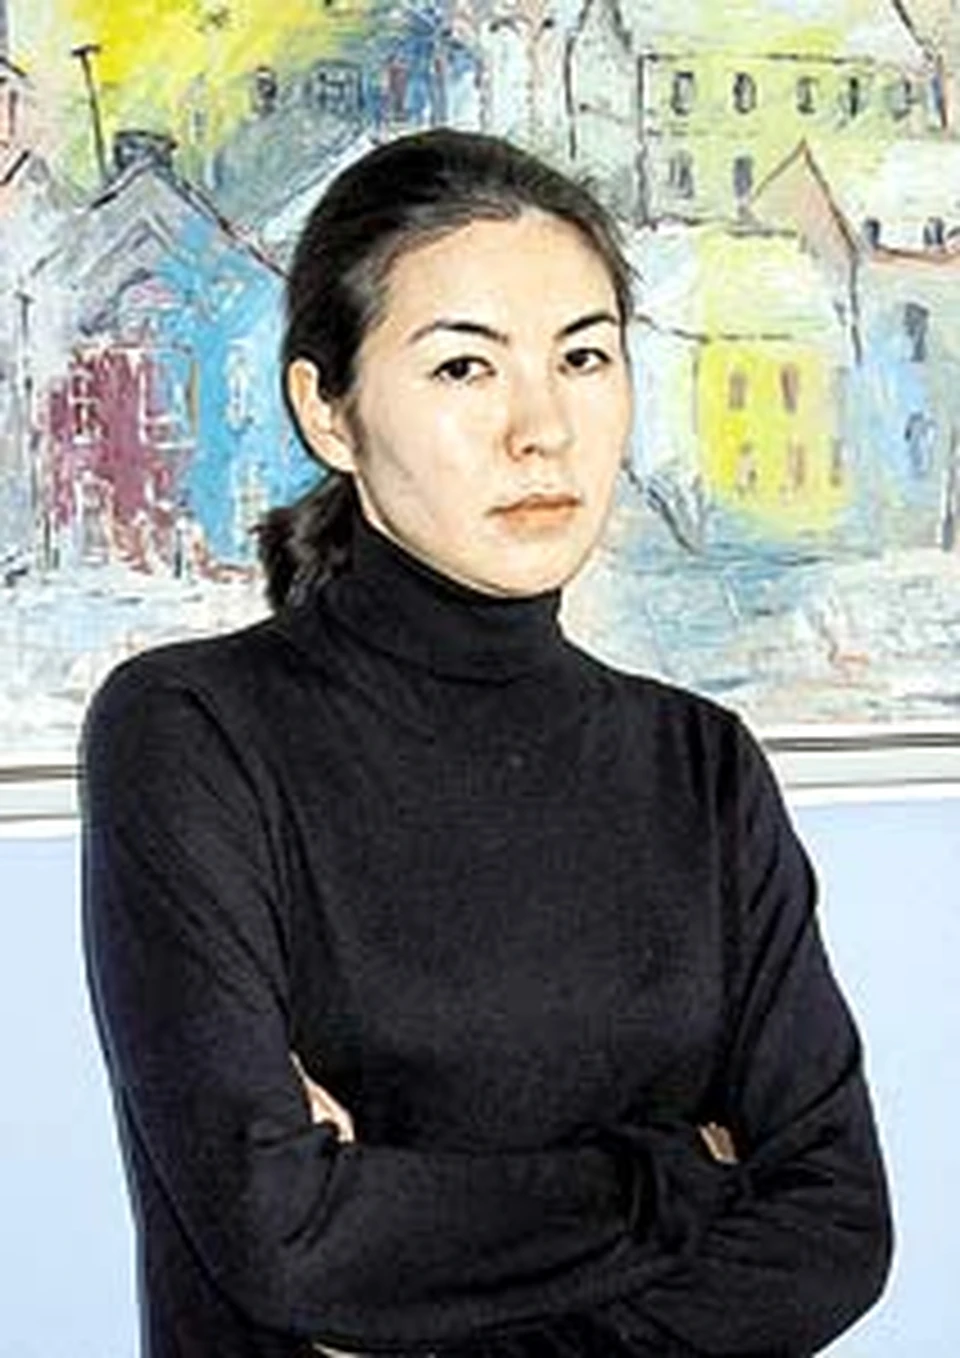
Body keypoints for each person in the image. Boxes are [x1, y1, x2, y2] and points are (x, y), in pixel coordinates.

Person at [80, 128, 893, 1358]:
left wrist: (412, 1281)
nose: (541, 428)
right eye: (464, 366)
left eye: (584, 357)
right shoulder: (191, 730)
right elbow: (281, 1236)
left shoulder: (700, 763)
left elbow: (835, 1226)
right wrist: (674, 1174)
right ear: (329, 412)